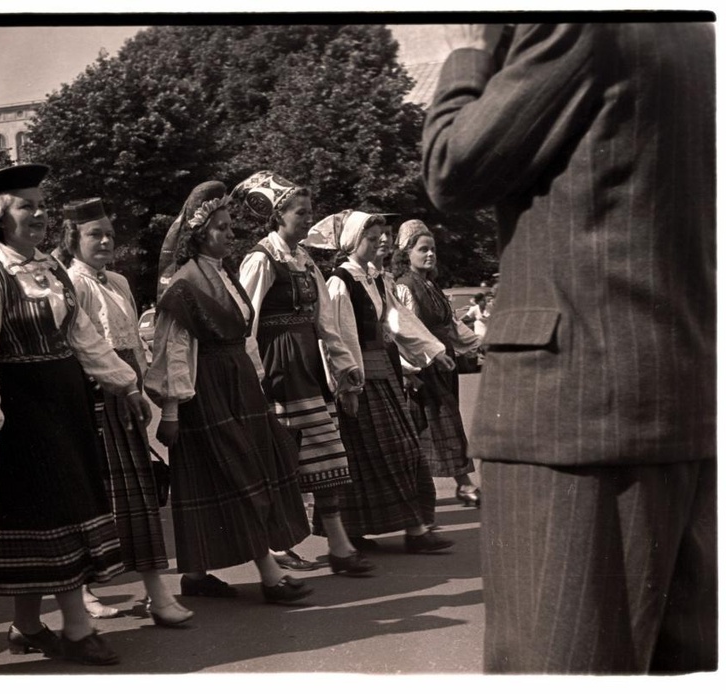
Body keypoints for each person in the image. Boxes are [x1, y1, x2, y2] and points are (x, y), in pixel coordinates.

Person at [421, 23, 715, 673]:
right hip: (679, 395)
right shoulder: (697, 32)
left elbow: (452, 167)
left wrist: (463, 54)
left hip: (574, 409)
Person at [0, 164, 150, 666]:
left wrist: (124, 383)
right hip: (23, 410)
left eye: (42, 205)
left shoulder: (53, 269)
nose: (40, 214)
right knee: (53, 512)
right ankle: (79, 630)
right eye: (27, 206)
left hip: (66, 403)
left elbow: (84, 335)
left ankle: (25, 627)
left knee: (54, 514)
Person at [145, 180, 314, 604]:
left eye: (231, 228)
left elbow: (246, 337)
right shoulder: (186, 283)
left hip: (238, 384)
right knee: (239, 477)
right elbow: (175, 348)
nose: (230, 235)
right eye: (222, 228)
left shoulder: (225, 275)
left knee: (215, 478)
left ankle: (197, 573)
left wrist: (258, 380)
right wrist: (171, 409)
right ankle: (270, 576)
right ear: (201, 234)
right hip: (207, 390)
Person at [59, 197, 193, 628]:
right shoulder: (69, 283)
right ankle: (84, 590)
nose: (104, 241)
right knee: (97, 501)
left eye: (109, 234)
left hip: (126, 399)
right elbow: (77, 347)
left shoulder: (116, 282)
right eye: (93, 234)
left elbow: (134, 343)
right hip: (90, 401)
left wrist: (149, 393)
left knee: (136, 501)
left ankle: (157, 594)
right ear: (71, 240)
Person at [235, 171, 372, 576]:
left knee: (326, 455)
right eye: (300, 212)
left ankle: (339, 546)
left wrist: (344, 365)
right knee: (286, 457)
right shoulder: (261, 258)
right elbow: (247, 321)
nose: (307, 219)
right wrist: (255, 377)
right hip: (278, 368)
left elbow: (324, 319)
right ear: (278, 216)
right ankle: (280, 546)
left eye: (311, 212)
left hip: (307, 367)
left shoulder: (305, 258)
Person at [304, 210, 455, 553]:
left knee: (397, 450)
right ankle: (387, 531)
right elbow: (335, 336)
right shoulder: (340, 281)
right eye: (371, 239)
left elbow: (399, 321)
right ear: (353, 242)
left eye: (382, 236)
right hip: (361, 376)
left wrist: (433, 351)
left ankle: (409, 529)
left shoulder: (377, 279)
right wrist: (347, 383)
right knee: (377, 454)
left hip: (383, 372)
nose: (380, 242)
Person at [391, 220, 482, 507]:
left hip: (444, 365)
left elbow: (452, 326)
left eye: (432, 249)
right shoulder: (405, 287)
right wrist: (408, 371)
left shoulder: (431, 285)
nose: (430, 255)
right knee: (438, 427)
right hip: (423, 367)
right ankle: (461, 486)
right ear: (408, 253)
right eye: (423, 249)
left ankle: (442, 489)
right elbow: (401, 332)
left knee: (439, 427)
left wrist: (481, 346)